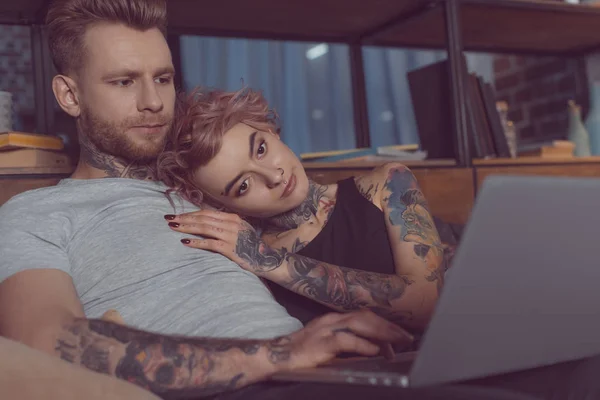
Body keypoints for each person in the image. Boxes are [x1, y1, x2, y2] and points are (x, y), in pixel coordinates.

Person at [0, 0, 419, 398]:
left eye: (162, 79)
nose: (152, 102)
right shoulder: (35, 213)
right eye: (124, 82)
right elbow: (48, 340)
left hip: (328, 371)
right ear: (70, 95)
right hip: (247, 385)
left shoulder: (211, 189)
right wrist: (283, 353)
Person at [157, 88, 448, 333]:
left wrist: (268, 260)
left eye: (260, 149)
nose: (274, 176)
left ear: (270, 132)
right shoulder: (244, 263)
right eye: (243, 185)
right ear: (224, 207)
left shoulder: (388, 181)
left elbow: (425, 305)